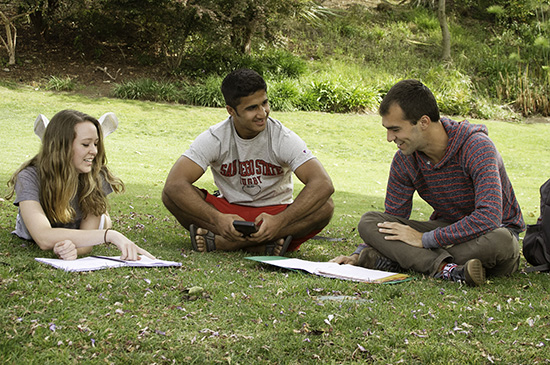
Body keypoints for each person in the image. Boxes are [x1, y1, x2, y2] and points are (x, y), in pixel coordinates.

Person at [330, 79, 525, 286]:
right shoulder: (404, 160)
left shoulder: (476, 147)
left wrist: (424, 240)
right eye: (387, 129)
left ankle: (401, 260)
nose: (389, 138)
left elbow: (489, 217)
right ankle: (446, 269)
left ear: (423, 122)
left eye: (395, 129)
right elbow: (393, 221)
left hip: (489, 235)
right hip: (447, 230)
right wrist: (357, 254)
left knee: (500, 241)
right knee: (370, 221)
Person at [162, 68, 334, 255]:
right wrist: (218, 220)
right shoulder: (216, 137)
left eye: (264, 103)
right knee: (170, 195)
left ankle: (226, 242)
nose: (262, 113)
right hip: (229, 213)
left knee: (326, 206)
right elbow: (175, 184)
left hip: (274, 213)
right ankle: (262, 245)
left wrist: (280, 222)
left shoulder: (282, 137)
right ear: (231, 111)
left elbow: (323, 184)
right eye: (252, 108)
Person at [6, 109, 154, 261]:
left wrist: (70, 250)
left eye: (96, 144)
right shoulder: (29, 177)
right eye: (85, 144)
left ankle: (103, 217)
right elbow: (43, 237)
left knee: (104, 221)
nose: (95, 151)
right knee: (104, 228)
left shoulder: (96, 176)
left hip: (82, 225)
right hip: (44, 225)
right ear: (62, 147)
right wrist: (110, 236)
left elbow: (86, 245)